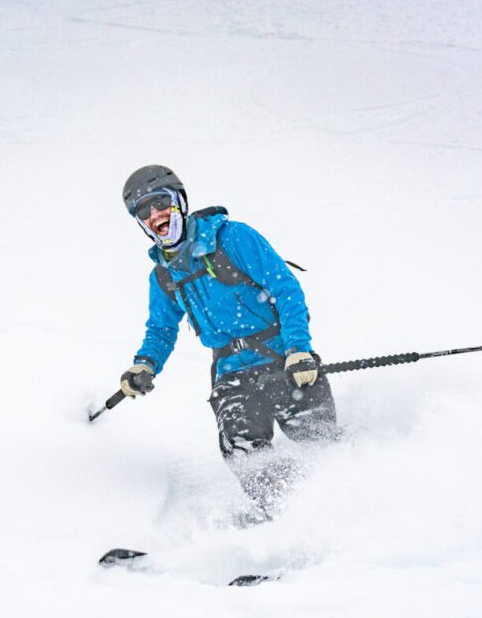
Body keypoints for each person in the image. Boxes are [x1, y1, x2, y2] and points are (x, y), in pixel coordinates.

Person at [117, 165, 339, 515]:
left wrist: (298, 350)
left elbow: (286, 289)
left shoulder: (233, 238)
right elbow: (161, 329)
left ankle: (343, 503)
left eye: (161, 203)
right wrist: (145, 364)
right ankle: (287, 516)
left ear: (180, 202)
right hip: (231, 374)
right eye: (143, 211)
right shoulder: (163, 275)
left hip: (283, 361)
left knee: (319, 440)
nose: (155, 214)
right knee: (243, 452)